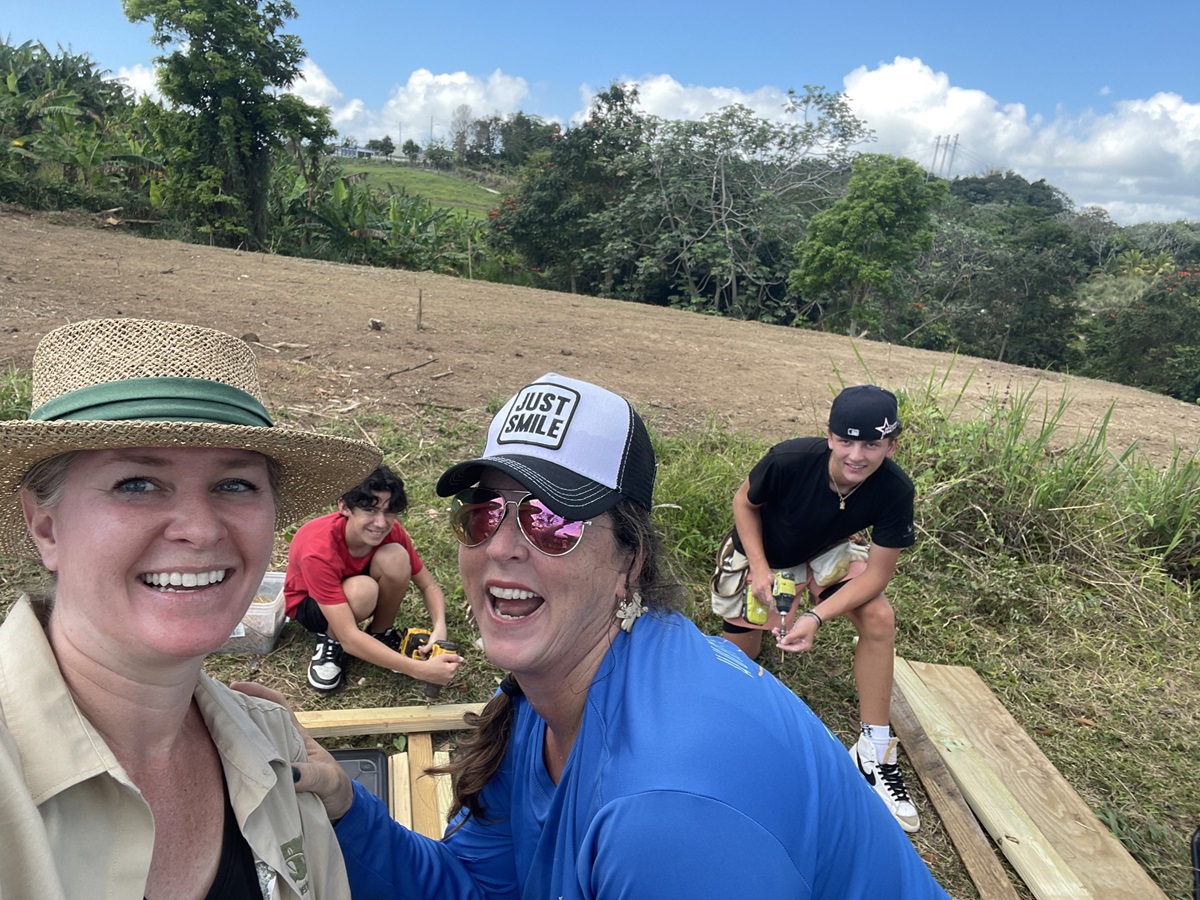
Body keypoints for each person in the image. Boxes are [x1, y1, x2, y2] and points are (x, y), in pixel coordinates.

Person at [279, 373, 950, 898]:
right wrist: (344, 809)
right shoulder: (534, 708)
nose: (504, 547)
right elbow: (478, 889)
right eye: (484, 511)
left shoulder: (663, 820)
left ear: (631, 560)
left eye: (553, 521)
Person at [0, 317, 381, 899]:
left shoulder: (276, 747)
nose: (201, 531)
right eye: (136, 483)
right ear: (45, 525)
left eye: (235, 485)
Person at [712, 384, 920, 832]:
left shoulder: (895, 490)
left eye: (872, 444)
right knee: (737, 655)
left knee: (880, 617)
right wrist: (762, 569)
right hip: (766, 550)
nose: (857, 455)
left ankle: (874, 750)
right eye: (846, 440)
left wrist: (814, 616)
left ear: (892, 444)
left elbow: (877, 576)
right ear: (829, 436)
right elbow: (743, 505)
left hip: (829, 551)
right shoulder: (788, 460)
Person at [285, 464, 463, 693]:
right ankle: (331, 641)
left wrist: (440, 629)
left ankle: (380, 633)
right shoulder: (318, 550)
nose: (381, 522)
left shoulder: (390, 530)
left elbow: (427, 585)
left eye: (389, 511)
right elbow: (351, 637)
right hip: (310, 604)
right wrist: (419, 670)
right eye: (370, 510)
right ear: (344, 507)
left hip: (353, 586)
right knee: (363, 591)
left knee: (396, 557)